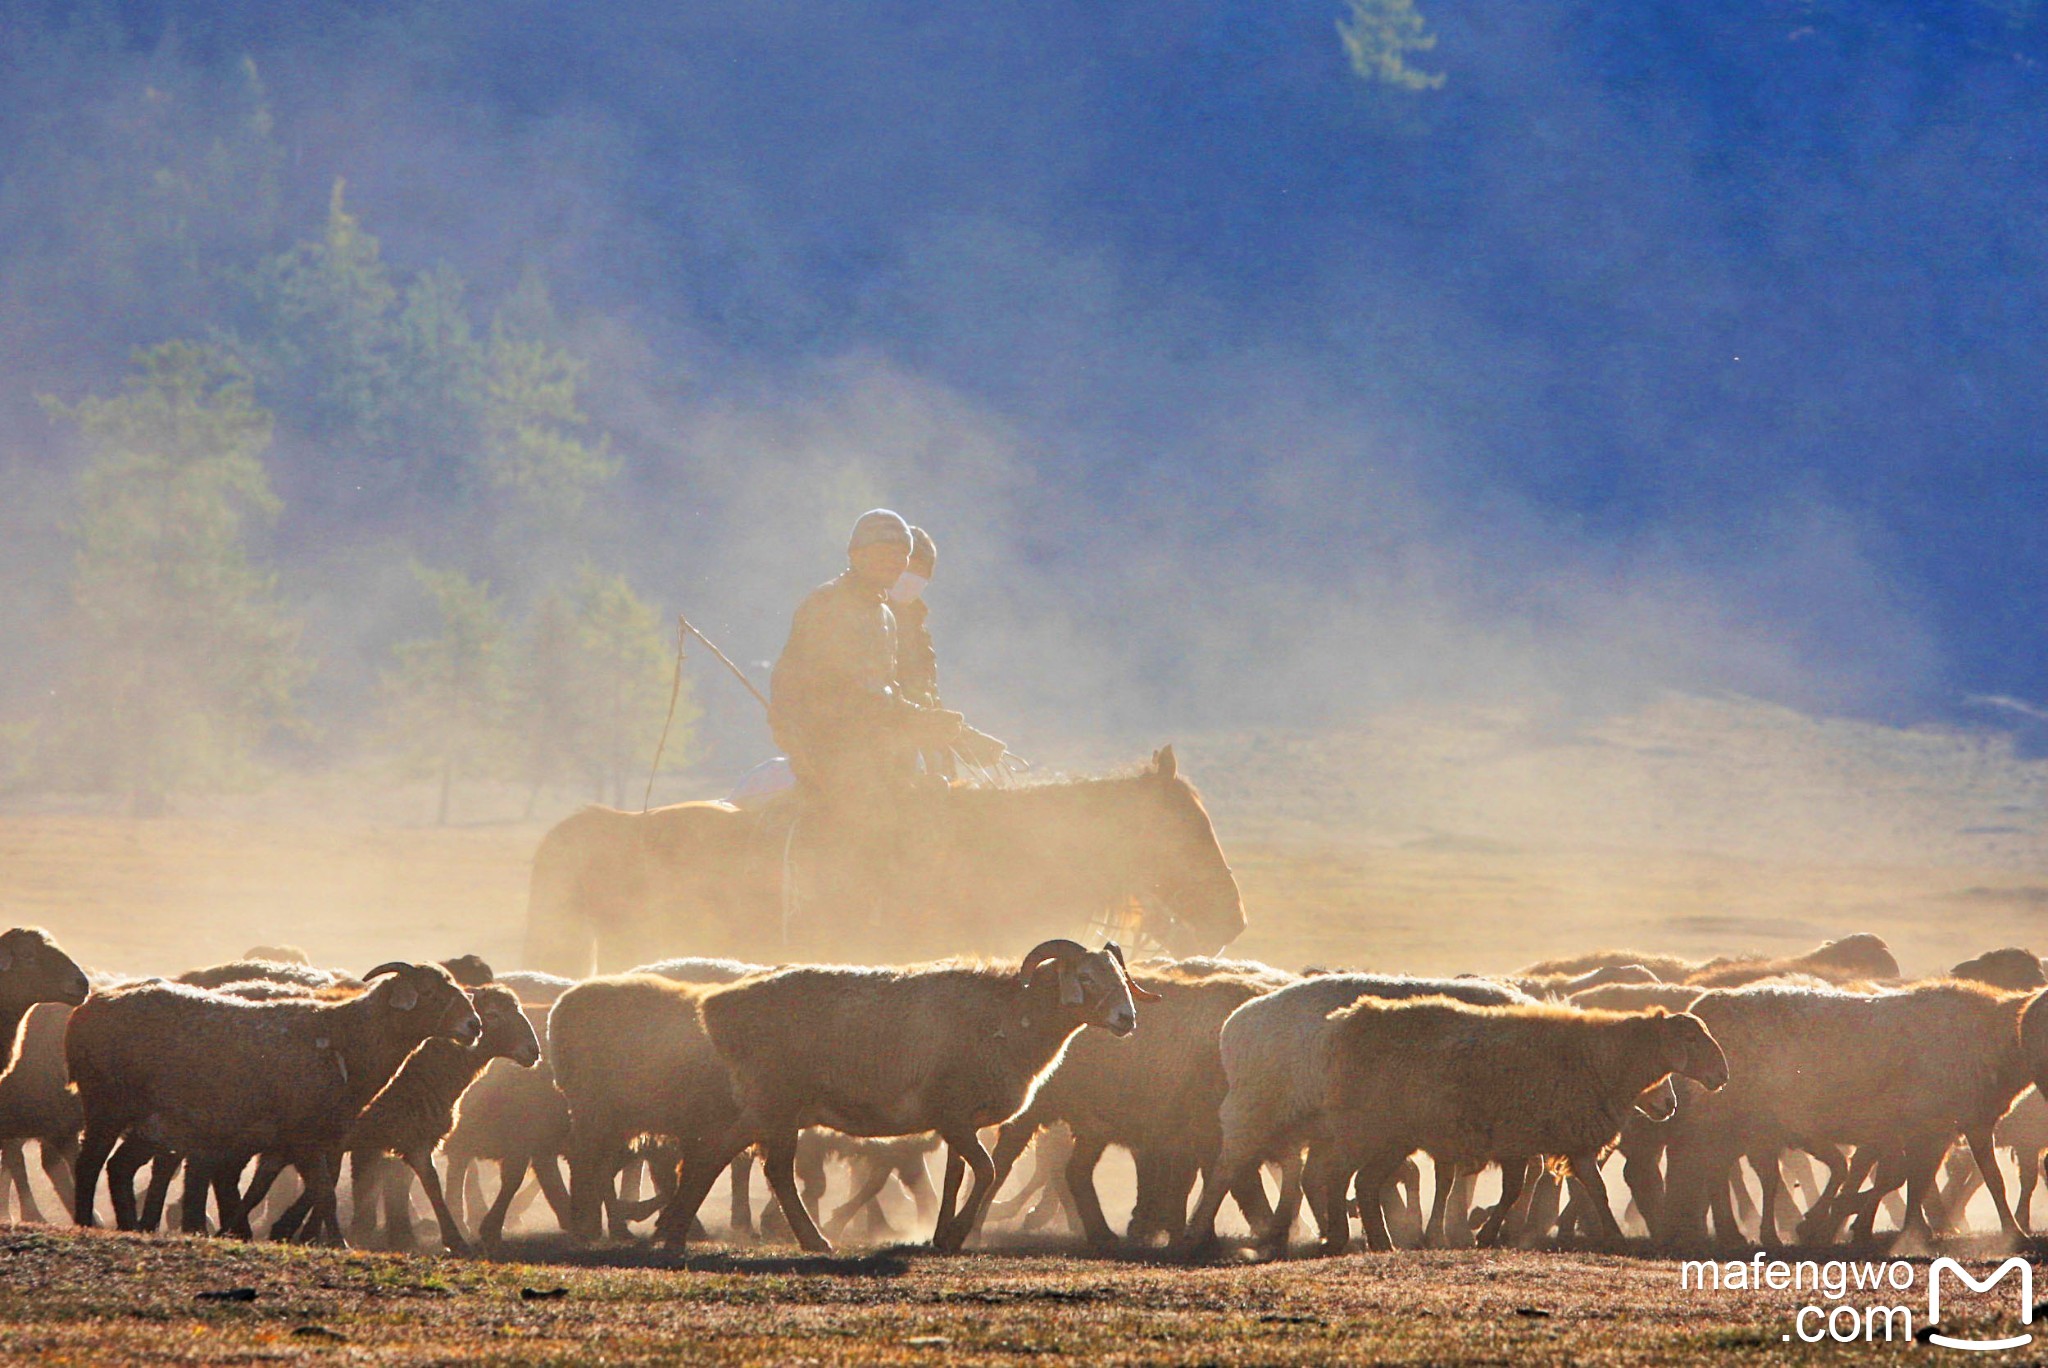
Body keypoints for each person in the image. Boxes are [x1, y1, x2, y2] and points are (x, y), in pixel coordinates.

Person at [767, 509, 963, 798]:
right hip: (831, 753)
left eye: (901, 554)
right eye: (884, 552)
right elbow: (837, 690)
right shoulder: (829, 604)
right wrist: (916, 719)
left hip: (877, 754)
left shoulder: (884, 615)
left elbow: (885, 690)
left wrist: (929, 719)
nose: (894, 562)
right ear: (857, 555)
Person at [890, 526, 1004, 777]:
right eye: (907, 568)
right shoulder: (865, 618)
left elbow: (925, 698)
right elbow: (876, 700)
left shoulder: (916, 625)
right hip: (887, 763)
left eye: (920, 572)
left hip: (925, 759)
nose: (911, 577)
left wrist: (960, 738)